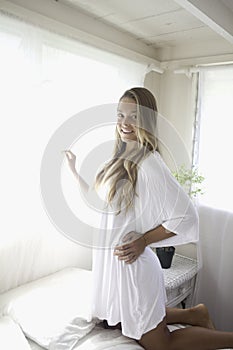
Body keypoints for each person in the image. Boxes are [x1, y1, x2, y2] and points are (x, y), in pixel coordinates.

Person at [64, 87, 233, 350]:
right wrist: (75, 172)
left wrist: (143, 240)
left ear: (147, 120)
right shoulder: (117, 158)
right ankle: (194, 314)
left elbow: (186, 216)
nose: (125, 123)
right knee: (120, 321)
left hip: (133, 268)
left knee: (159, 344)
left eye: (134, 116)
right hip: (114, 266)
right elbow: (102, 204)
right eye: (120, 115)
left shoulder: (149, 162)